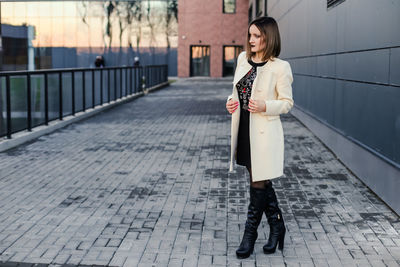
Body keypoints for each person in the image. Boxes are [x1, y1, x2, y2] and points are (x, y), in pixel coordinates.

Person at [226, 16, 294, 259]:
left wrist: (265, 104)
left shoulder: (280, 67)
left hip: (264, 133)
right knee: (261, 180)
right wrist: (230, 103)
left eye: (257, 36)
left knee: (258, 181)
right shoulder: (242, 59)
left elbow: (287, 103)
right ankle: (277, 227)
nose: (251, 40)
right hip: (244, 129)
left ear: (269, 37)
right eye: (250, 35)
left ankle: (250, 233)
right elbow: (235, 92)